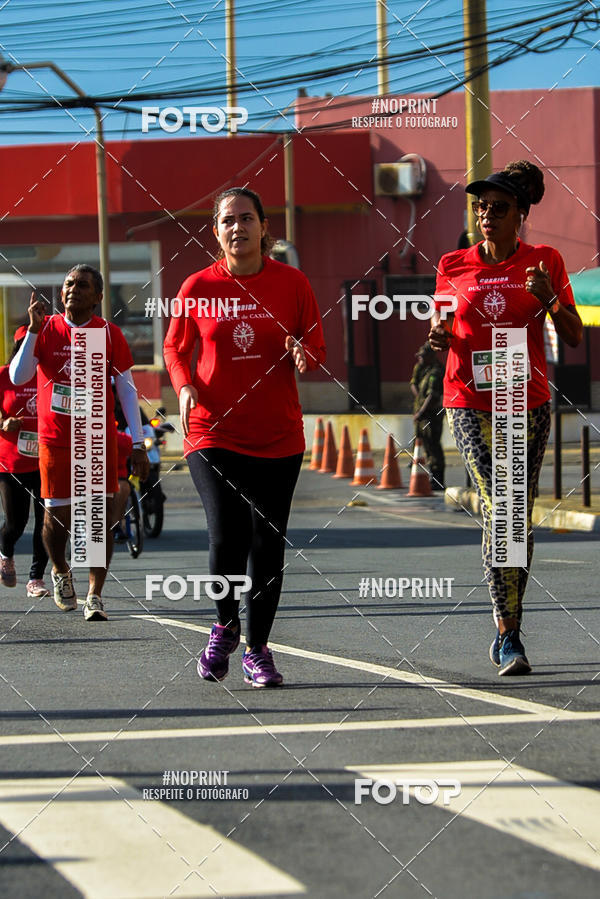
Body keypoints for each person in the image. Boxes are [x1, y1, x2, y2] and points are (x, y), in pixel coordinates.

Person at [164, 186, 326, 687]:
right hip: (213, 430)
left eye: (247, 218)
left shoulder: (293, 283)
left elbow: (316, 348)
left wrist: (305, 355)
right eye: (228, 220)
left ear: (263, 227)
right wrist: (185, 385)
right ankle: (223, 625)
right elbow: (174, 348)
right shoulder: (196, 287)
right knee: (226, 534)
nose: (238, 228)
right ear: (216, 231)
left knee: (267, 543)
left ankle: (257, 650)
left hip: (278, 436)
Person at [429, 160, 582, 676]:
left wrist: (550, 300)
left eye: (498, 208)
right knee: (501, 504)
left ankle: (509, 631)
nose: (486, 216)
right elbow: (443, 324)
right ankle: (507, 633)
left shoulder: (546, 261)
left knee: (516, 513)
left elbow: (575, 335)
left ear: (521, 215)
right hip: (467, 398)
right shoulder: (453, 264)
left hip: (526, 400)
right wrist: (438, 336)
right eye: (479, 208)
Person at [10, 265, 150, 621]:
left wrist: (137, 441)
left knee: (95, 520)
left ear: (98, 296)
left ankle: (94, 595)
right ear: (61, 294)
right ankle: (59, 569)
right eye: (68, 284)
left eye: (82, 285)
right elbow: (18, 375)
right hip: (55, 440)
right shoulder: (45, 330)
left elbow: (127, 392)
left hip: (96, 440)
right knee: (56, 518)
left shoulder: (108, 333)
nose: (73, 289)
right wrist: (34, 332)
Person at [0, 326, 49, 596]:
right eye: (25, 346)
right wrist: (3, 423)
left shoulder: (48, 376)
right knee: (16, 523)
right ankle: (5, 553)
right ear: (18, 348)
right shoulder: (3, 376)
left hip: (45, 460)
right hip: (11, 463)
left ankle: (36, 578)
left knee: (46, 522)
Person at [410, 341, 445, 490]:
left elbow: (433, 397)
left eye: (423, 356)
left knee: (433, 446)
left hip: (431, 416)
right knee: (426, 446)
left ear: (431, 356)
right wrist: (419, 400)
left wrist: (421, 411)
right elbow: (414, 383)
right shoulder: (422, 369)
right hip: (423, 415)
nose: (420, 359)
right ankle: (432, 477)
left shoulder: (436, 372)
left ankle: (438, 480)